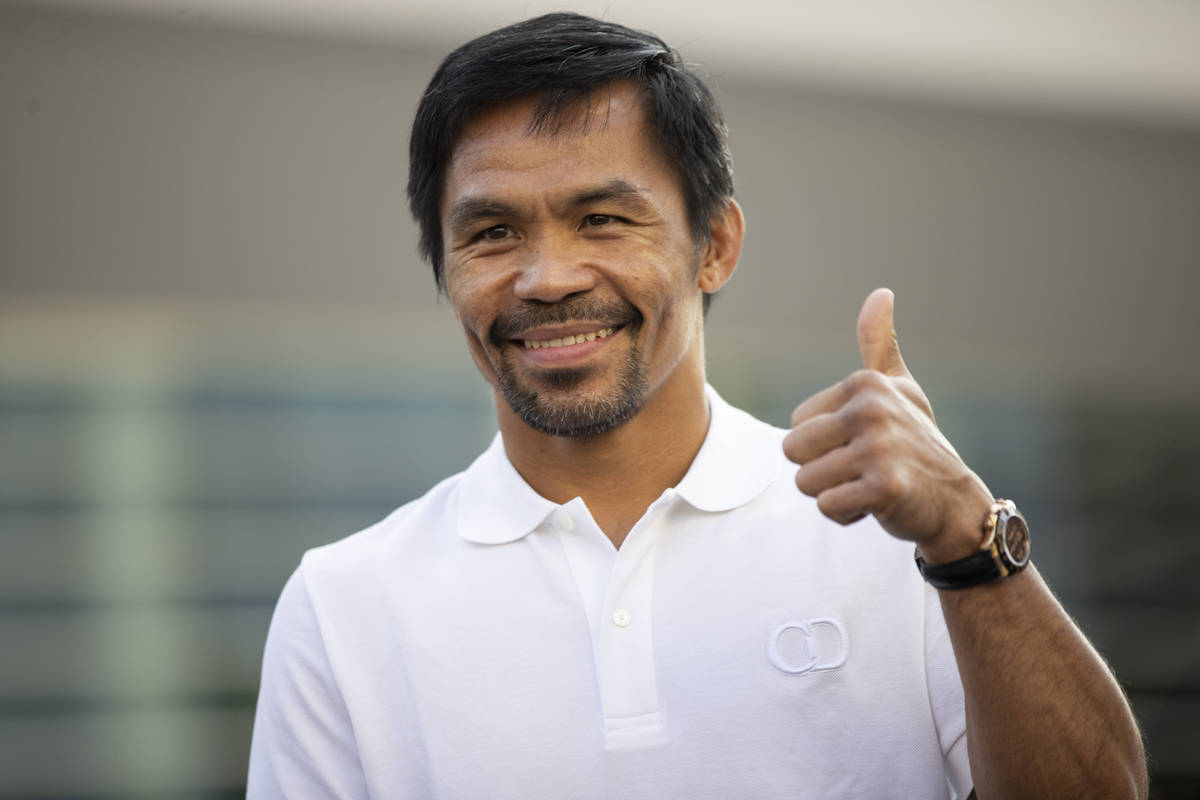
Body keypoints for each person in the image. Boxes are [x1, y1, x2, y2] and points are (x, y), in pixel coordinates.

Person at [247, 13, 1147, 799]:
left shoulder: (896, 536)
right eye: (492, 233)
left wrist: (964, 532)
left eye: (602, 219)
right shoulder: (344, 606)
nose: (548, 278)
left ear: (714, 245)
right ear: (445, 272)